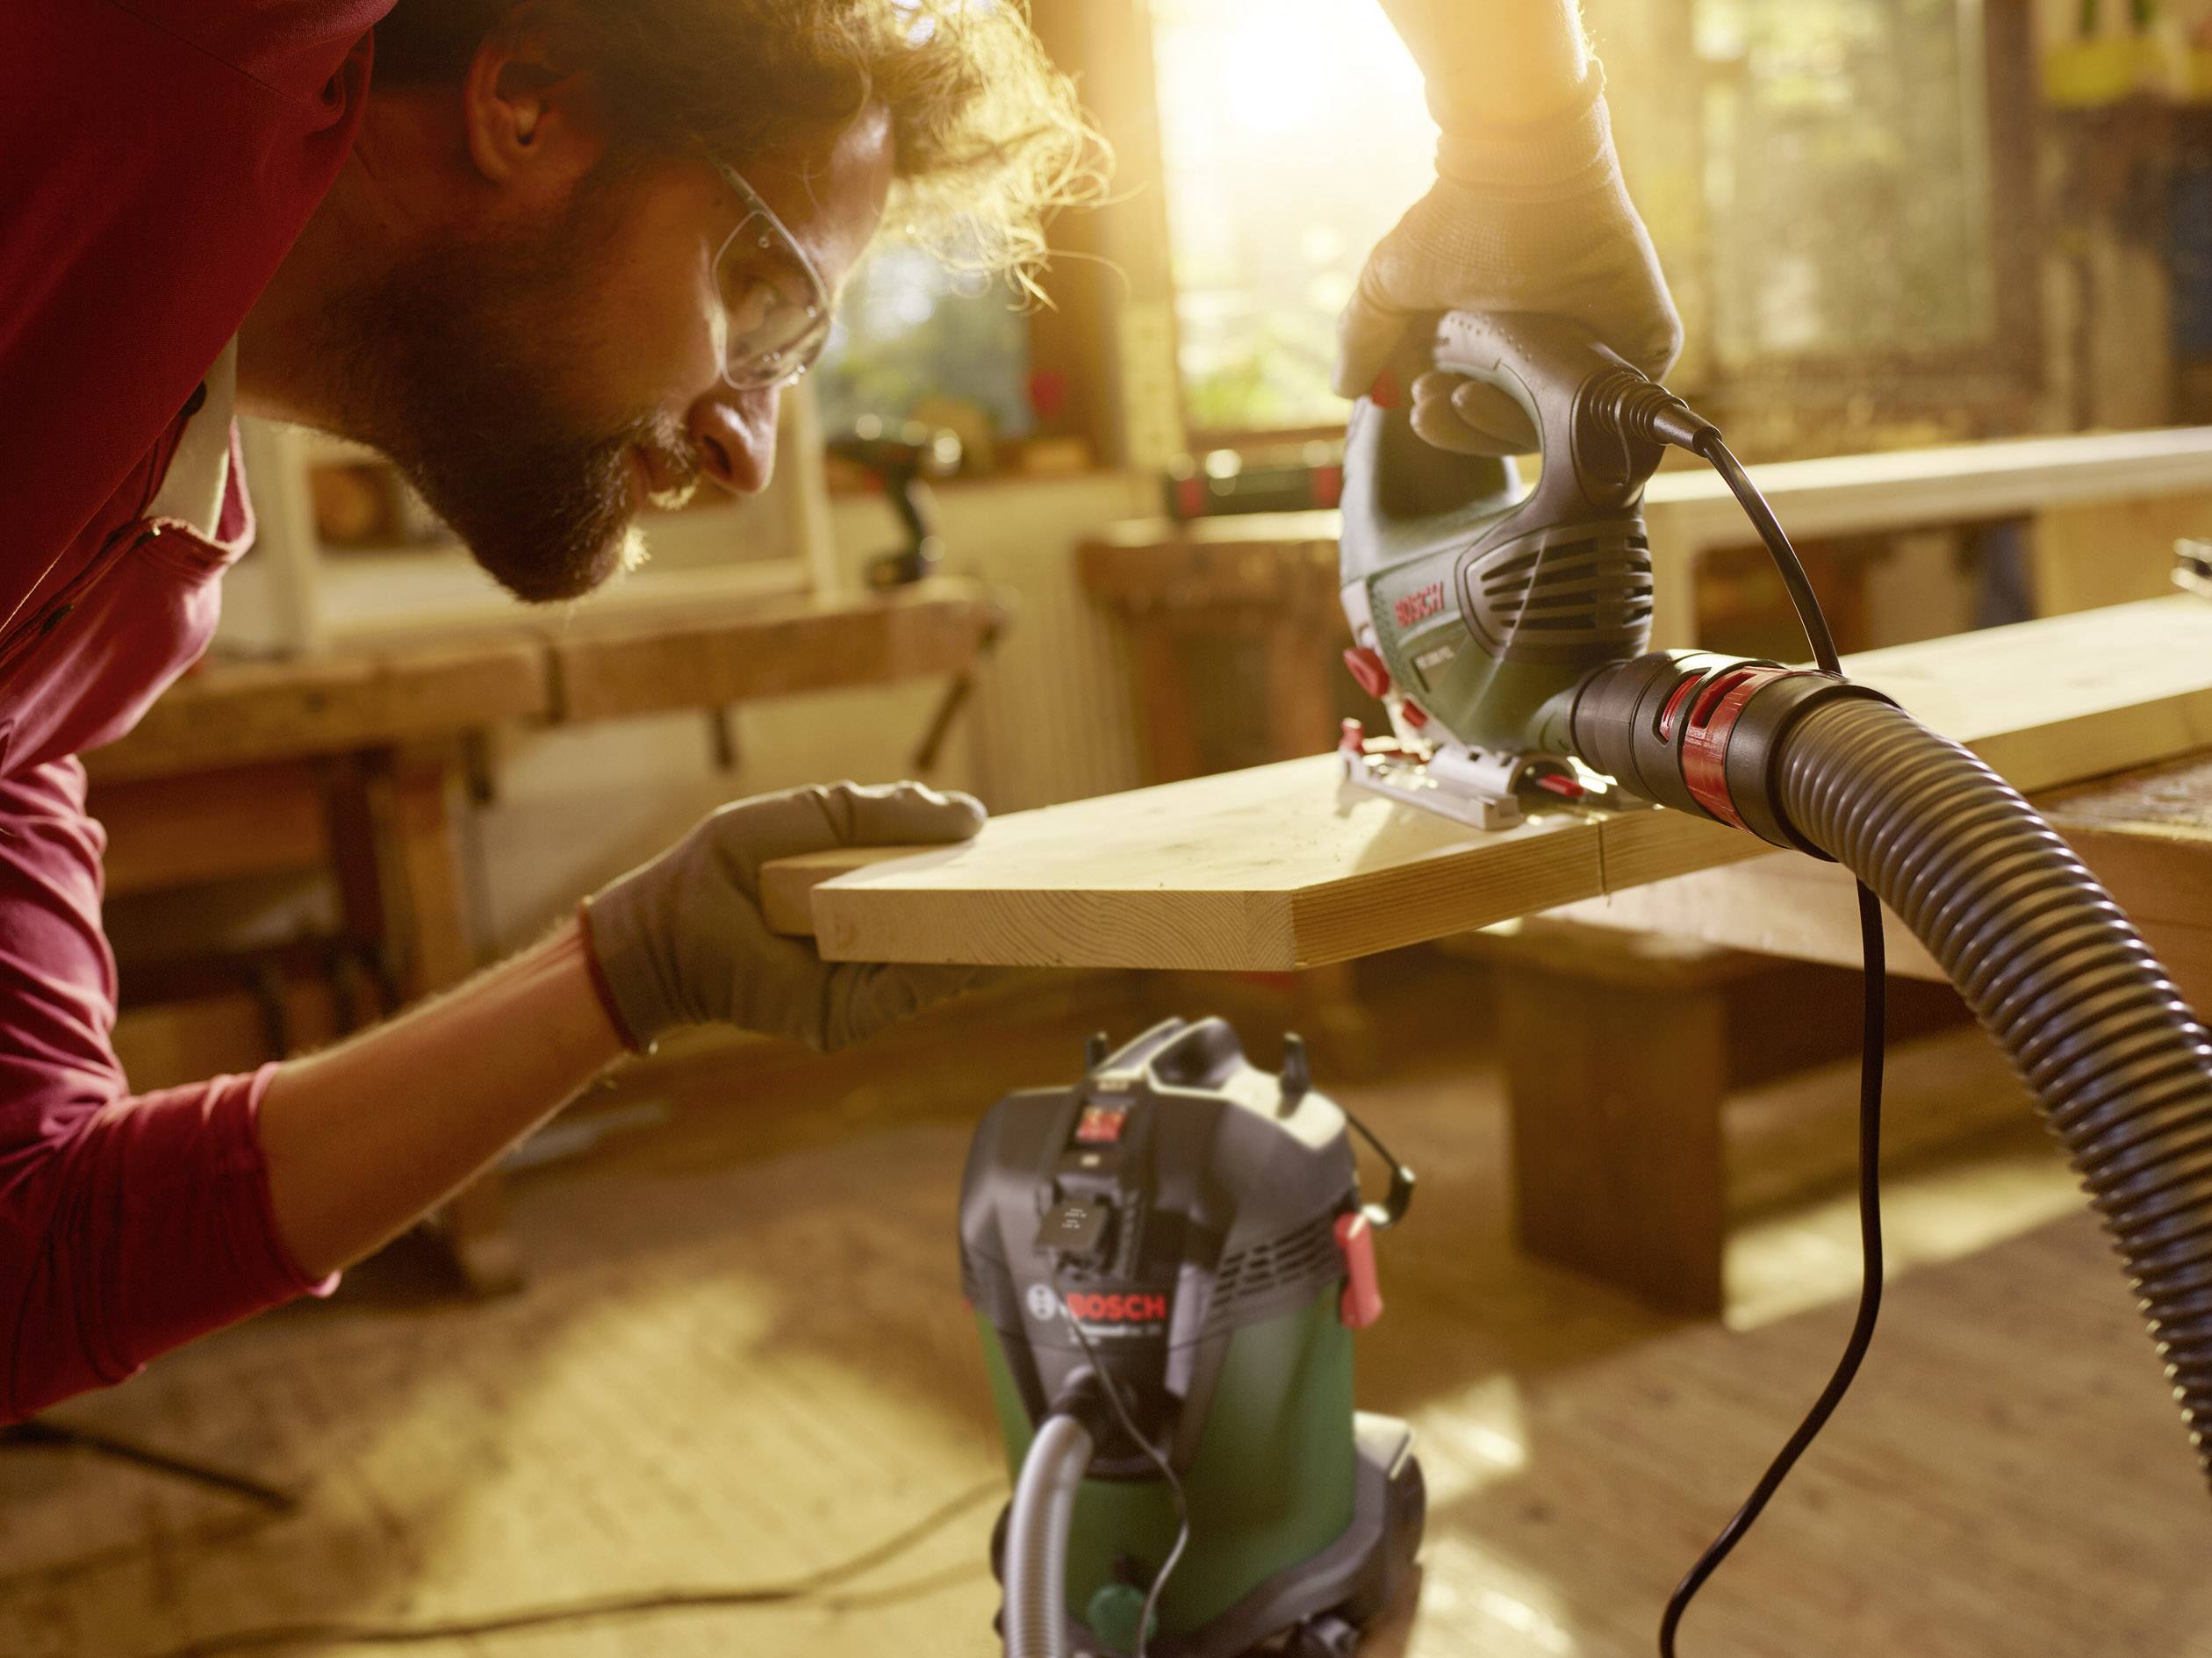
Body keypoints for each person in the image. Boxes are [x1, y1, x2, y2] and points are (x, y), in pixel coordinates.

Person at [0, 0, 1676, 1418]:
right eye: (763, 306)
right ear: (527, 104)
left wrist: (621, 973)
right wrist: (1528, 149)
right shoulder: (172, 62)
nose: (744, 451)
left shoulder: (103, 619)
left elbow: (35, 1256)